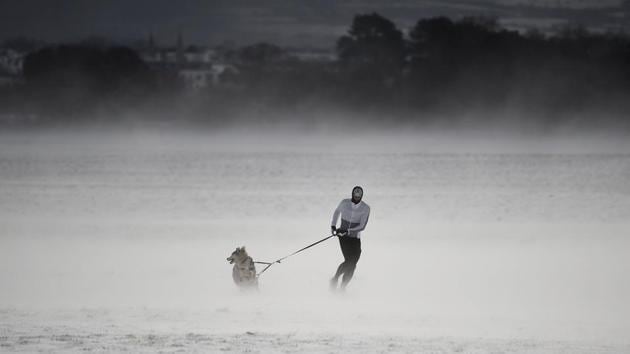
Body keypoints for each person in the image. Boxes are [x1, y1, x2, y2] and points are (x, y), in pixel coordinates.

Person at [330, 186, 370, 290]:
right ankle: (335, 279)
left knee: (353, 264)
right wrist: (333, 226)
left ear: (361, 196)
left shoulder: (365, 208)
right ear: (352, 194)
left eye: (359, 195)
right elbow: (336, 212)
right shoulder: (344, 203)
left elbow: (362, 226)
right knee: (349, 261)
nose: (357, 197)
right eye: (355, 195)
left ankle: (342, 287)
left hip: (355, 238)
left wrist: (348, 231)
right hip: (343, 237)